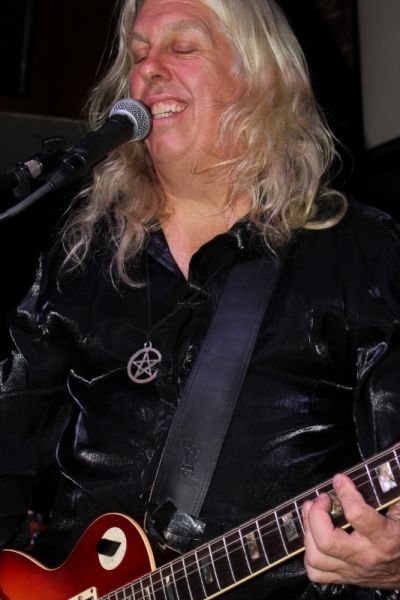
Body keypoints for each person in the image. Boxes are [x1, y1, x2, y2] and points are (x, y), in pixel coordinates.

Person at [0, 0, 400, 598]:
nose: (148, 70)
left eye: (183, 47)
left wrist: (393, 569)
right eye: (137, 54)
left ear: (262, 75)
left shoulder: (360, 253)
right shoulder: (81, 258)